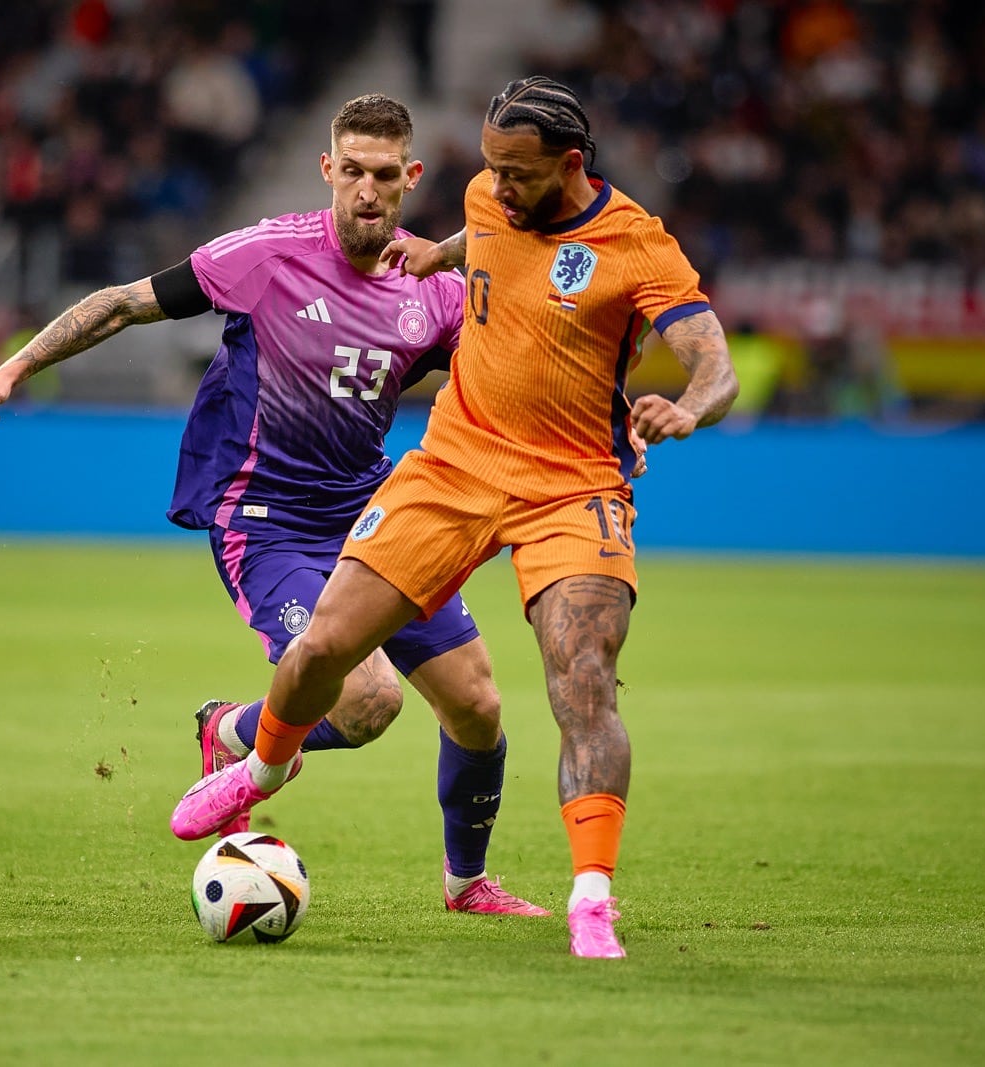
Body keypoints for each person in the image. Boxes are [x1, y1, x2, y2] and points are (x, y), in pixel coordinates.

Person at [170, 76, 740, 959]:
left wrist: (689, 406)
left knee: (573, 680)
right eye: (490, 169)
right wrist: (441, 254)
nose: (498, 187)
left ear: (571, 164)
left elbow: (715, 362)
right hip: (454, 467)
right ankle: (259, 761)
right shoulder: (487, 195)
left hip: (572, 483)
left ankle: (588, 898)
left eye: (517, 173)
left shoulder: (638, 245)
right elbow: (490, 234)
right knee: (327, 650)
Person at [0, 94, 547, 916]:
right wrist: (13, 369)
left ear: (413, 178)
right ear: (328, 171)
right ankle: (244, 733)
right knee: (369, 698)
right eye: (352, 172)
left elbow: (505, 381)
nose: (367, 191)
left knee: (478, 704)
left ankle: (464, 882)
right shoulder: (266, 254)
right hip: (267, 521)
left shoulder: (435, 289)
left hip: (374, 513)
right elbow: (125, 302)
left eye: (385, 175)